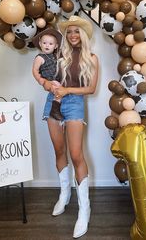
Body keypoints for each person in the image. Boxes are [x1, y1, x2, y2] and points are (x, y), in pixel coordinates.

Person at [42, 15, 99, 238]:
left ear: (83, 34)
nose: (73, 35)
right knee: (59, 151)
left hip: (74, 103)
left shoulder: (92, 58)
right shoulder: (57, 54)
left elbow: (91, 89)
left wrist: (68, 91)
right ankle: (64, 195)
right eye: (69, 32)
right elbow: (41, 70)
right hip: (52, 101)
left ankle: (84, 209)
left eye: (77, 31)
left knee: (76, 154)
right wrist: (46, 83)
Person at [32, 27, 63, 120]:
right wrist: (40, 80)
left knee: (60, 91)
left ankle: (54, 110)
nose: (47, 45)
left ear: (56, 46)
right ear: (40, 44)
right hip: (49, 80)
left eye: (50, 44)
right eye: (44, 43)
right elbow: (34, 70)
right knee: (58, 90)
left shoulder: (54, 56)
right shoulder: (40, 57)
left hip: (56, 78)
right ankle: (53, 111)